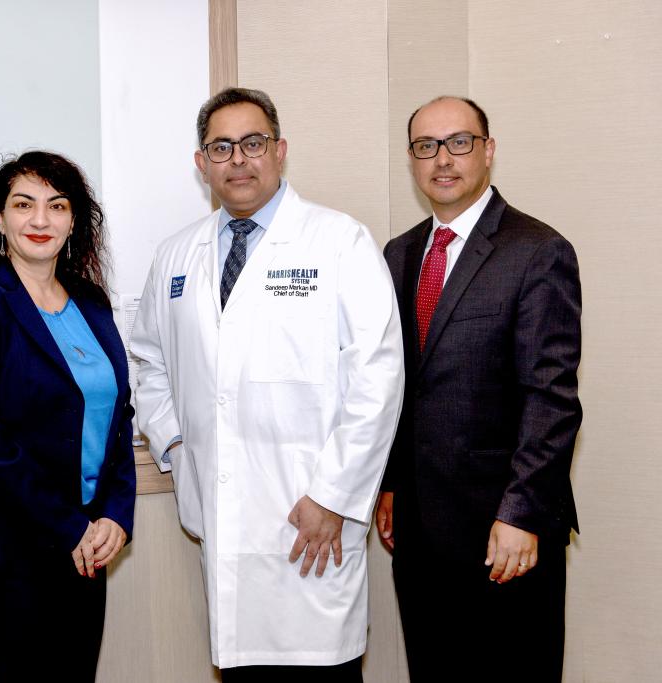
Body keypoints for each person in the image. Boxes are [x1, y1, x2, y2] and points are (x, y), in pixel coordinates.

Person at [130, 87, 404, 681]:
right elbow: (149, 360)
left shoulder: (339, 242)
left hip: (313, 524)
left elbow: (377, 378)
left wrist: (334, 496)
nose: (238, 159)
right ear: (201, 164)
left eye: (252, 143)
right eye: (221, 147)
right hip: (224, 523)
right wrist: (176, 447)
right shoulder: (177, 255)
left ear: (279, 151)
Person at [375, 96, 582, 681]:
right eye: (426, 146)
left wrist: (522, 513)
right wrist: (392, 485)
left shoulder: (538, 251)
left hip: (504, 530)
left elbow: (552, 398)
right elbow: (398, 384)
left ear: (488, 151)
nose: (443, 158)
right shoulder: (399, 253)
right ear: (412, 160)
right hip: (419, 529)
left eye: (459, 142)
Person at [0, 150, 136, 682]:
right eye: (24, 204)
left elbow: (118, 414)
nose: (40, 220)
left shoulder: (91, 301)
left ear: (75, 221)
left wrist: (115, 513)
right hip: (14, 546)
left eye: (57, 205)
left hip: (89, 537)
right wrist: (72, 526)